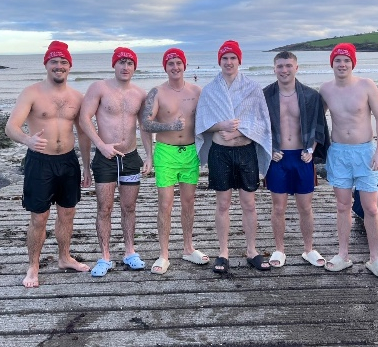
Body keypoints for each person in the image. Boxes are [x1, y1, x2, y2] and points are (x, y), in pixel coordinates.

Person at [5, 41, 92, 288]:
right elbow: (11, 127)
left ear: (70, 66)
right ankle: (33, 267)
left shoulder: (77, 97)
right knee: (39, 217)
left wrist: (86, 166)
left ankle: (64, 257)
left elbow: (83, 133)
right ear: (46, 64)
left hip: (68, 161)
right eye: (54, 61)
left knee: (67, 213)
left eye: (64, 62)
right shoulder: (31, 93)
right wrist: (27, 140)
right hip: (40, 162)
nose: (59, 66)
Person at [195, 40, 272, 273]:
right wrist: (222, 125)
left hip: (246, 151)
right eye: (225, 58)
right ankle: (223, 253)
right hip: (221, 153)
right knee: (223, 204)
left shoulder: (253, 87)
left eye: (233, 58)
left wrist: (238, 131)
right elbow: (202, 124)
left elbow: (262, 121)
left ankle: (252, 251)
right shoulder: (210, 90)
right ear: (219, 61)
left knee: (249, 203)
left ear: (239, 61)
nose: (229, 62)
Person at [319, 43, 378, 279]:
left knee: (371, 208)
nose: (342, 64)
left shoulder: (366, 85)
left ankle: (374, 258)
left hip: (365, 153)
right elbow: (315, 121)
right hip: (339, 153)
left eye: (346, 60)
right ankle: (343, 255)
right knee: (343, 206)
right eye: (338, 60)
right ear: (332, 64)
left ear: (352, 63)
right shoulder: (325, 89)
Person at [79, 47, 152, 277]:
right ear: (114, 64)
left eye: (130, 63)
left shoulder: (140, 94)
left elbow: (145, 126)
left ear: (135, 67)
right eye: (121, 62)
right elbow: (84, 118)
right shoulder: (99, 88)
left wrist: (149, 155)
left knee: (129, 207)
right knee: (105, 208)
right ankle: (105, 257)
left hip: (130, 157)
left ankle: (130, 252)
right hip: (105, 158)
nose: (125, 67)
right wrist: (101, 145)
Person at [141, 48, 208, 275]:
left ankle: (188, 248)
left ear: (184, 65)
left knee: (189, 202)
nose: (175, 67)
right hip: (166, 153)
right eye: (170, 63)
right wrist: (169, 128)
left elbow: (209, 120)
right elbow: (145, 124)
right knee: (165, 204)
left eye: (178, 63)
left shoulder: (197, 91)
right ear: (165, 67)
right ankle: (164, 254)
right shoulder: (157, 92)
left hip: (190, 153)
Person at [263, 51, 330, 268]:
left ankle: (309, 249)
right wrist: (269, 149)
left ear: (296, 68)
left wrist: (311, 149)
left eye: (288, 66)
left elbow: (319, 127)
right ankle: (279, 249)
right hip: (278, 158)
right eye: (280, 66)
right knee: (278, 208)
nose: (284, 70)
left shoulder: (311, 96)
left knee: (306, 207)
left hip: (302, 157)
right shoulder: (265, 96)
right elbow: (257, 127)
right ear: (274, 69)